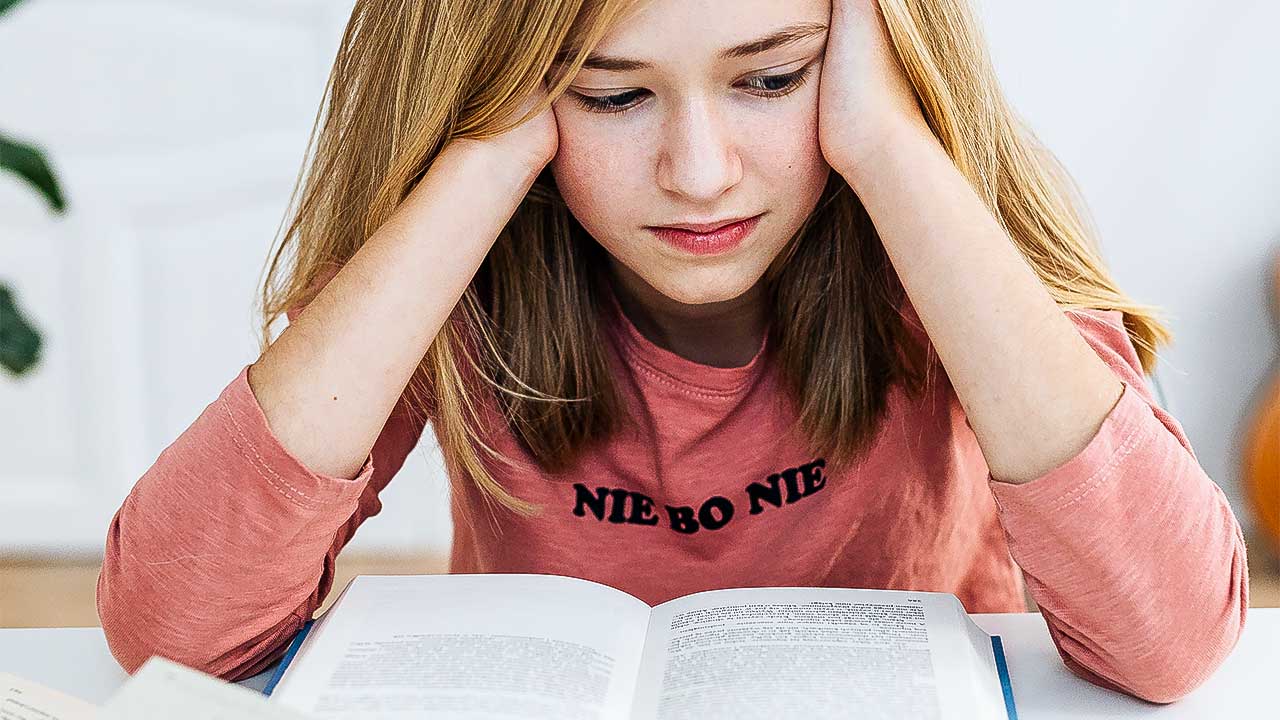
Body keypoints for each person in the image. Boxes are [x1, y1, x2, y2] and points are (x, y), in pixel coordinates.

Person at [96, 0, 1248, 704]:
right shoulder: (471, 265)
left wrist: (893, 151)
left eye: (769, 77)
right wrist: (478, 166)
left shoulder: (944, 244)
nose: (697, 171)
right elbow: (175, 639)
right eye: (608, 95)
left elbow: (1173, 645)